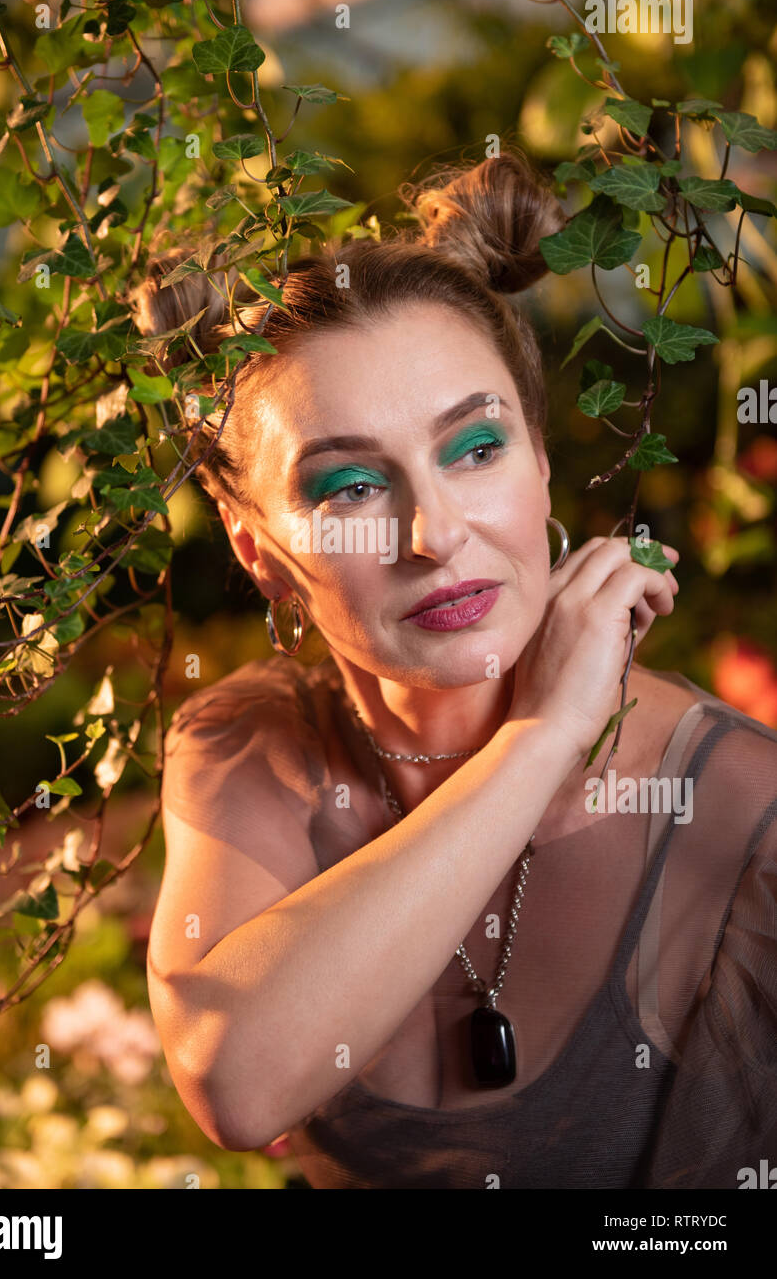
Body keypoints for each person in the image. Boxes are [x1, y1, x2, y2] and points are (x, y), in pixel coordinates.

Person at [143, 150, 777, 1189]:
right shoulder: (251, 743)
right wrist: (536, 743)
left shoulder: (741, 819)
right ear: (257, 549)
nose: (433, 534)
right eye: (350, 485)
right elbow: (235, 1081)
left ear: (537, 460)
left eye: (473, 448)